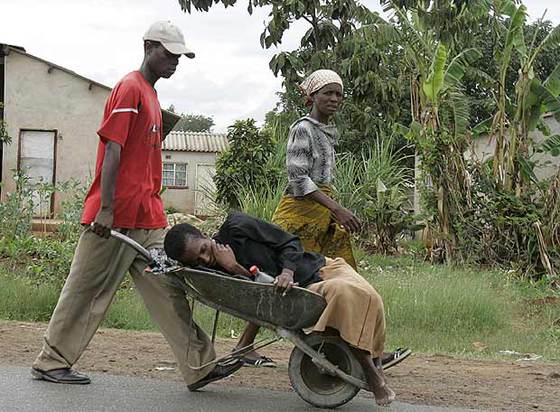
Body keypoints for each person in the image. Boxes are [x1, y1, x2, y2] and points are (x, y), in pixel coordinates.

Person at [31, 21, 242, 391]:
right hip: (113, 218)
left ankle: (200, 365)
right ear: (148, 46)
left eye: (179, 56)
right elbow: (113, 148)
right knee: (86, 290)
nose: (174, 62)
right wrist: (107, 209)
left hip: (148, 219)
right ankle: (52, 361)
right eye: (168, 54)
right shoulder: (130, 88)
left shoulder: (153, 98)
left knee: (169, 289)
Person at [234, 69, 411, 369]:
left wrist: (333, 211)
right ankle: (244, 345)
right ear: (312, 96)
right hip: (299, 217)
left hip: (324, 217)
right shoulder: (302, 129)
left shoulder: (326, 132)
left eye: (339, 94)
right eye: (327, 92)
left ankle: (368, 349)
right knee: (281, 282)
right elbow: (299, 179)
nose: (334, 99)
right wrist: (338, 209)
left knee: (349, 279)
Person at [164, 212, 396, 407]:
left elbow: (290, 242)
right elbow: (255, 295)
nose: (206, 258)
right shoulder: (214, 273)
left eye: (204, 249)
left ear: (205, 236)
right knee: (346, 294)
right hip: (305, 291)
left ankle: (374, 361)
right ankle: (371, 372)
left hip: (318, 267)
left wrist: (287, 272)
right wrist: (233, 267)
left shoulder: (237, 227)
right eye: (198, 260)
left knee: (371, 296)